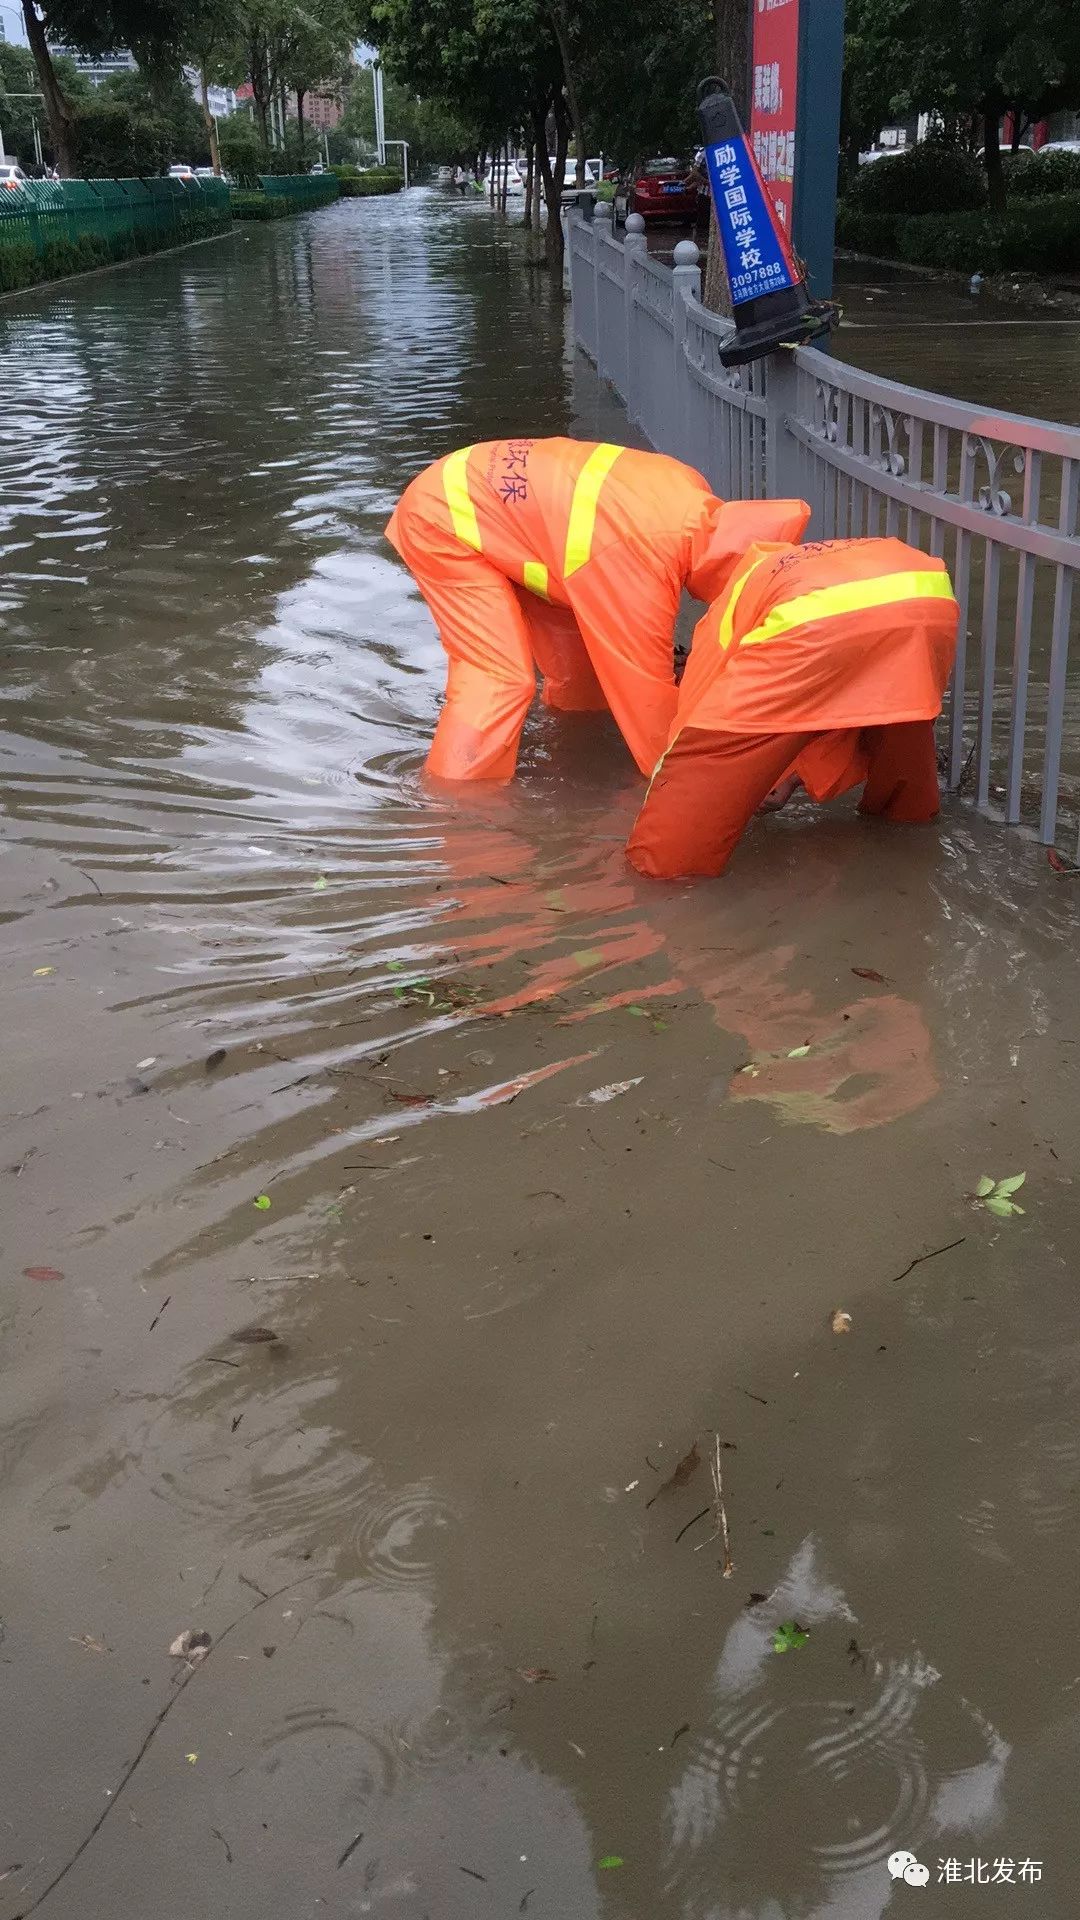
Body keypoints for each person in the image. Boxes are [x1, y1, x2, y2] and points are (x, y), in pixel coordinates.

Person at [386, 437, 810, 781]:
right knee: (499, 679)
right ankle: (457, 810)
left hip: (503, 506)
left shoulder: (690, 491)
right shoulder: (640, 561)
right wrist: (716, 782)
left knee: (582, 679)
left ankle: (572, 752)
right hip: (445, 520)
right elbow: (648, 699)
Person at [626, 534, 959, 878]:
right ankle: (909, 829)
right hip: (929, 601)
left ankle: (661, 877)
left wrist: (673, 787)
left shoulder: (717, 623)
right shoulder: (776, 571)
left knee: (668, 849)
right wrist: (794, 776)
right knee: (899, 728)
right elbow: (840, 700)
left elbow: (696, 737)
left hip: (811, 621)